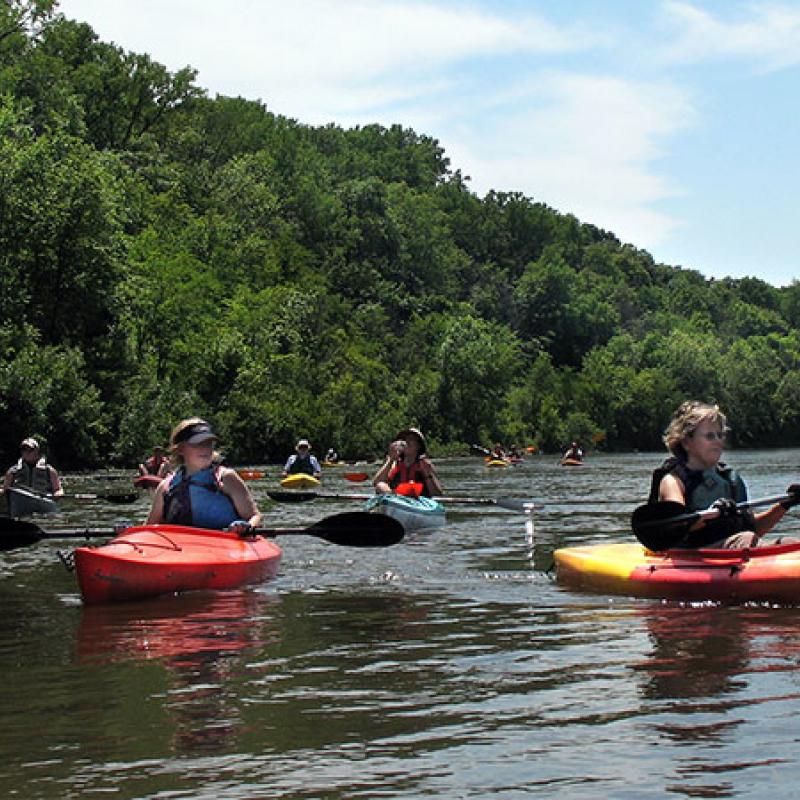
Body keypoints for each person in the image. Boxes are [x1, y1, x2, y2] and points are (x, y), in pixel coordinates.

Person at [648, 400, 799, 548]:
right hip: (694, 555)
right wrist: (714, 513)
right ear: (686, 442)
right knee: (745, 539)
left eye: (720, 435)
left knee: (789, 543)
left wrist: (784, 505)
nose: (718, 442)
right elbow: (679, 525)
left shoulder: (730, 480)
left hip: (734, 549)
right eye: (710, 436)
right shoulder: (673, 480)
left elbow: (753, 528)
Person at [146, 418, 261, 532]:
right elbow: (148, 529)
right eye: (198, 444)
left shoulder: (226, 478)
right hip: (181, 548)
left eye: (208, 443)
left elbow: (255, 516)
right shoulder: (165, 487)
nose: (205, 448)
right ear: (181, 449)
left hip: (225, 545)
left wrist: (246, 526)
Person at [373, 427, 444, 498]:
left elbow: (437, 493)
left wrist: (427, 474)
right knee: (380, 486)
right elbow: (376, 483)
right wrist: (391, 460)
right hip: (397, 501)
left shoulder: (425, 464)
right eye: (404, 439)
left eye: (411, 439)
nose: (406, 441)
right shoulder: (394, 463)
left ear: (419, 445)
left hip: (418, 502)